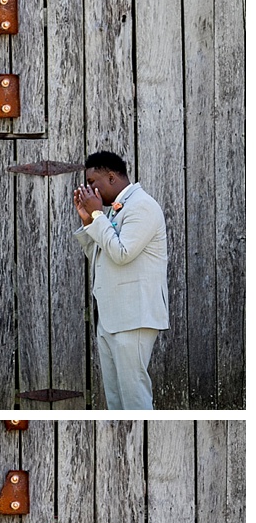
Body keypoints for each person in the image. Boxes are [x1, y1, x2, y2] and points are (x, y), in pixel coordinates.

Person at [72, 150, 169, 409]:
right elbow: (101, 255)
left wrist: (97, 217)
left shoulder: (142, 206)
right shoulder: (115, 210)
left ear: (112, 177)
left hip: (133, 317)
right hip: (112, 318)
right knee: (116, 401)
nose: (89, 190)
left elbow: (123, 253)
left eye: (93, 182)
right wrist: (87, 221)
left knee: (134, 399)